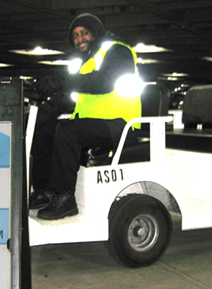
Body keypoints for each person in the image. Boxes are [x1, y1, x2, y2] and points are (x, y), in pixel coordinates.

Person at [29, 13, 142, 220]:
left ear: (96, 33)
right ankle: (45, 191)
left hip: (121, 124)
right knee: (46, 131)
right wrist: (39, 113)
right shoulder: (87, 62)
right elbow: (73, 98)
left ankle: (65, 198)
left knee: (67, 131)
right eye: (75, 36)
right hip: (94, 125)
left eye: (85, 33)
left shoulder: (118, 51)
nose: (80, 39)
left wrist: (62, 81)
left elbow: (104, 81)